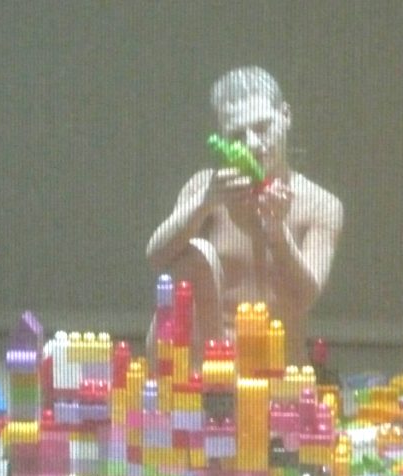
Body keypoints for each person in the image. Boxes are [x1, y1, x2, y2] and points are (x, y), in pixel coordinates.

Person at [146, 66, 344, 365]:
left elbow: (304, 297)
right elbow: (156, 257)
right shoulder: (206, 187)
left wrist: (277, 233)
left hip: (277, 373)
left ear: (285, 115)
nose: (251, 144)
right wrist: (203, 203)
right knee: (196, 254)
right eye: (238, 135)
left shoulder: (320, 204)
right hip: (209, 367)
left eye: (262, 127)